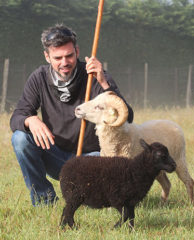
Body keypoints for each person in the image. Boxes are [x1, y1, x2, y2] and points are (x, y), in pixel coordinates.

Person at [10, 24, 134, 206]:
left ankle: (94, 195)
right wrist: (30, 119)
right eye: (57, 57)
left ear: (77, 51)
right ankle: (45, 201)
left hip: (93, 160)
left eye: (69, 55)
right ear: (47, 56)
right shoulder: (39, 78)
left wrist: (104, 83)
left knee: (112, 164)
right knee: (20, 139)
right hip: (57, 157)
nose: (64, 62)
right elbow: (17, 117)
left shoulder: (94, 76)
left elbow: (128, 117)